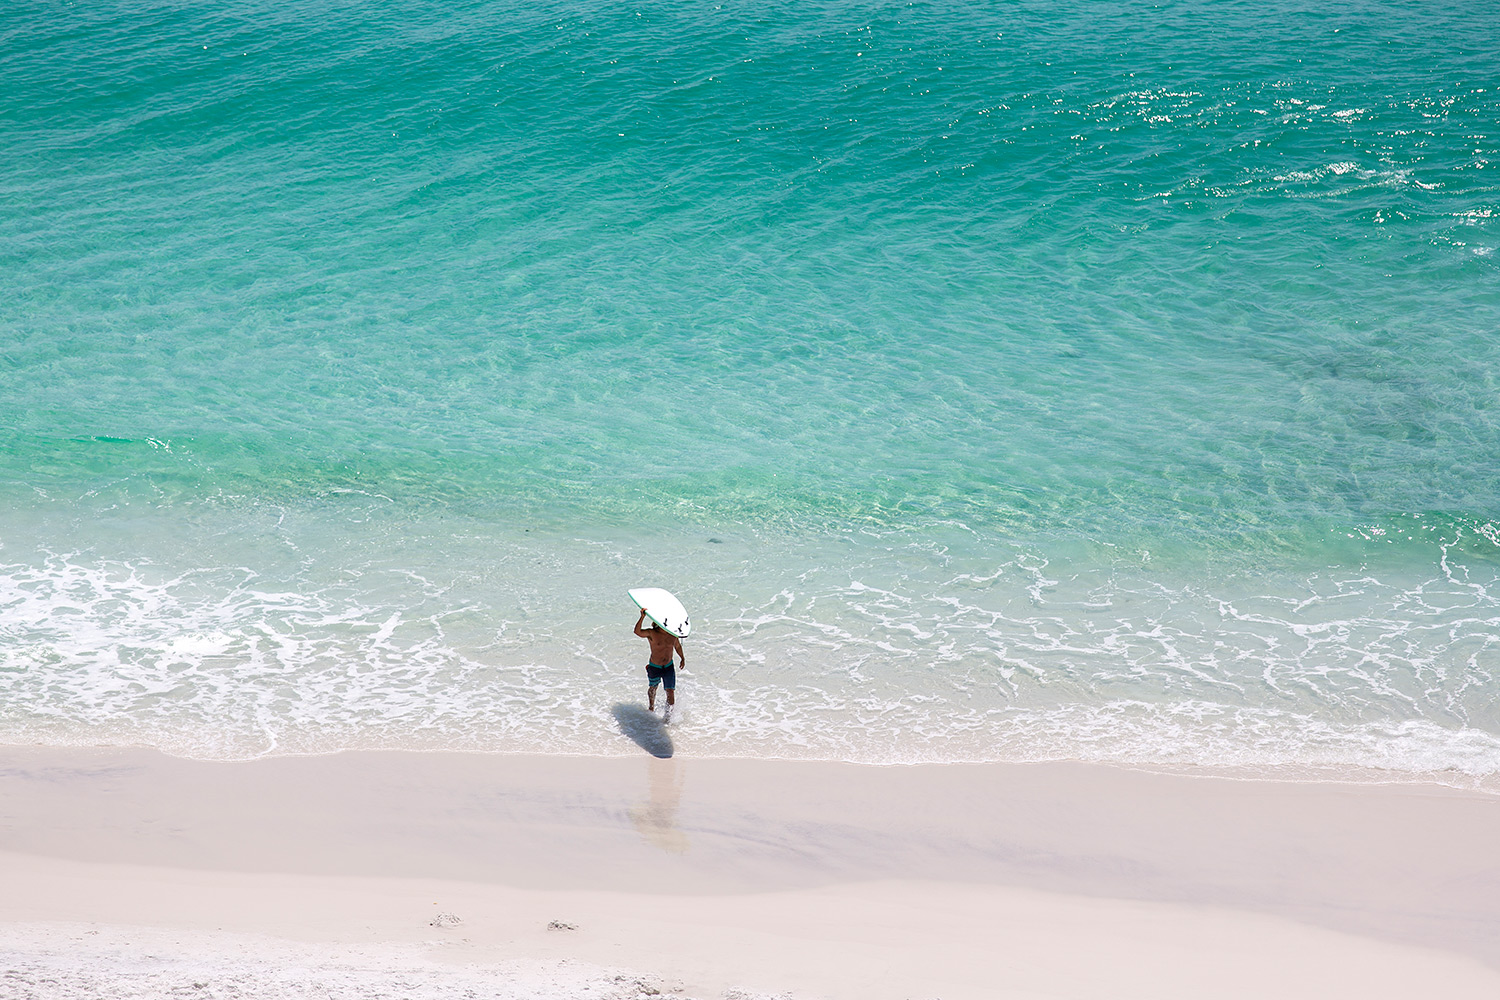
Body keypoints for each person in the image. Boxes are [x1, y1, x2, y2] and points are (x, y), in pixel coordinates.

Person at [634, 606, 685, 716]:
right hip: (655, 667)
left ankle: (668, 717)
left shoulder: (672, 634)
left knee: (670, 692)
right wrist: (642, 617)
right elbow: (637, 632)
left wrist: (682, 658)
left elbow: (677, 646)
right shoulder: (652, 633)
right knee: (653, 688)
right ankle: (651, 708)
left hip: (668, 667)